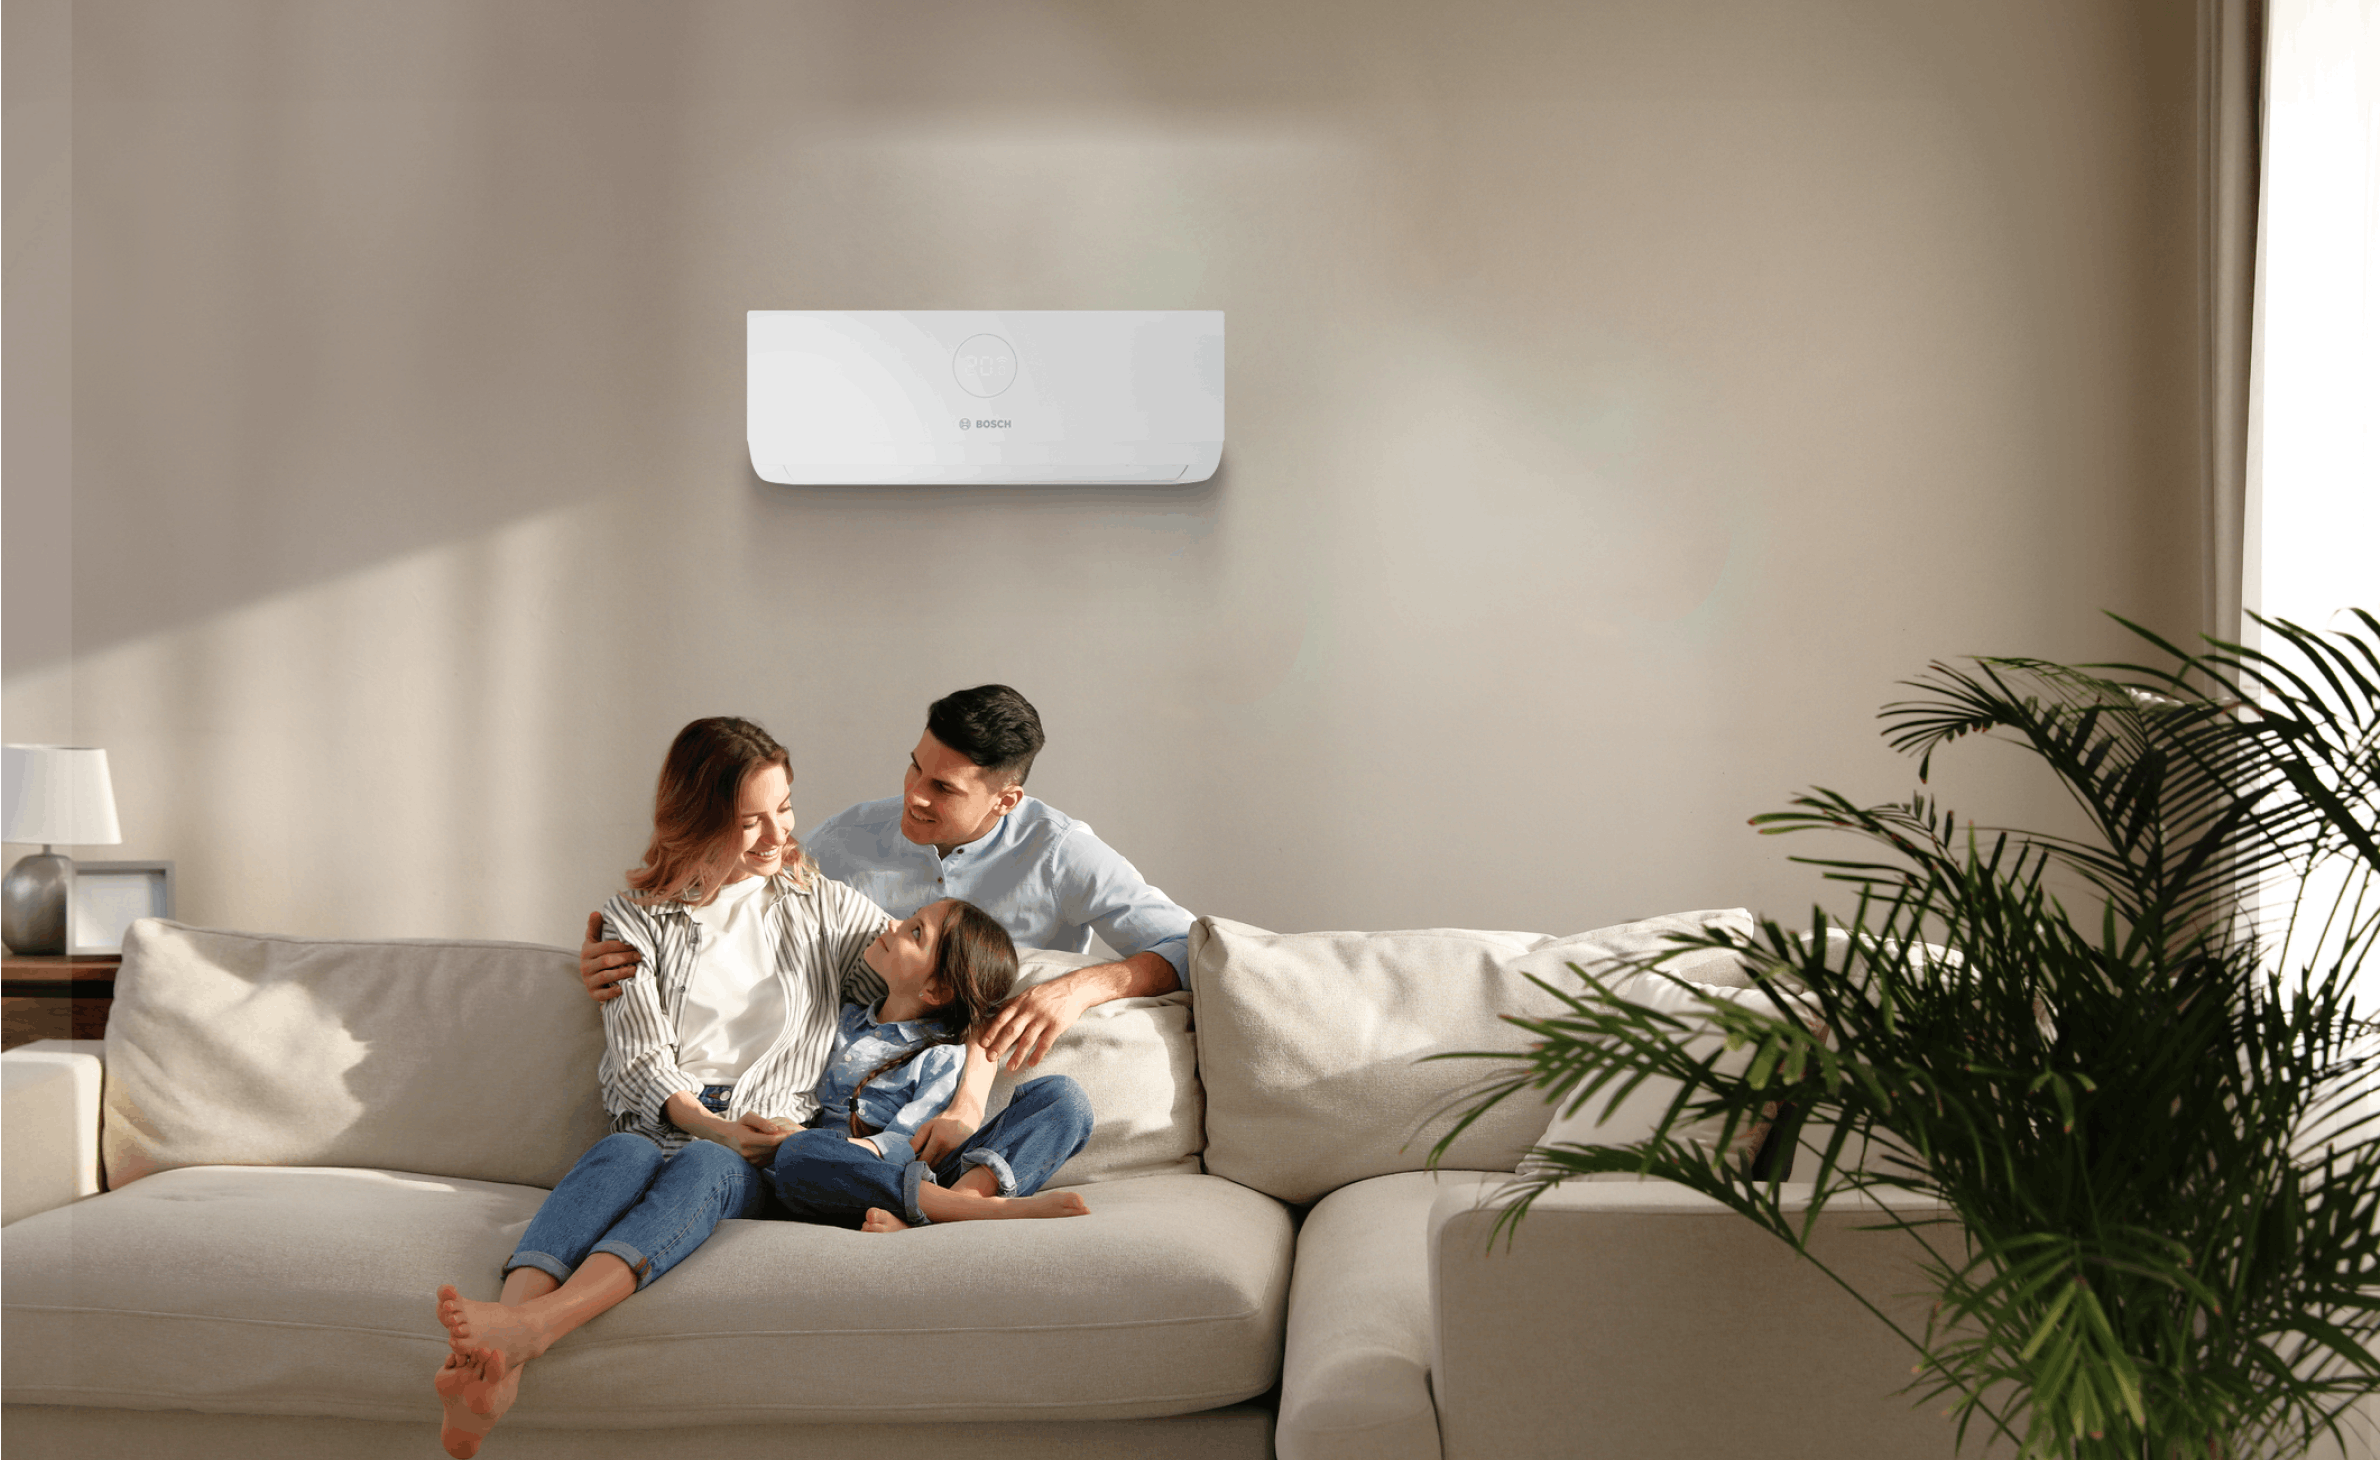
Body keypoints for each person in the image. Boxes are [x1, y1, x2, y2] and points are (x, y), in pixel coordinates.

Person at [433, 717, 1087, 1459]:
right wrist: (707, 1123)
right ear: (698, 819)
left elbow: (966, 981)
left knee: (710, 1166)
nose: (779, 836)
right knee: (622, 1156)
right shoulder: (632, 923)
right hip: (668, 1117)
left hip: (765, 1142)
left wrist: (970, 1098)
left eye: (785, 808)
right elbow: (639, 1061)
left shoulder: (820, 906)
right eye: (751, 821)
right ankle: (497, 1350)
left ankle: (536, 1329)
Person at [575, 684, 1192, 1161]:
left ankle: (951, 1194)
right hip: (843, 1108)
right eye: (914, 767)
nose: (914, 796)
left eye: (943, 788)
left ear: (1004, 801)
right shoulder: (847, 838)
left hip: (972, 1085)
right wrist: (627, 954)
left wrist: (1080, 986)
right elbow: (737, 895)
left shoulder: (1061, 853)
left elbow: (1196, 947)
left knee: (1059, 1104)